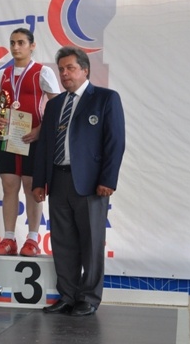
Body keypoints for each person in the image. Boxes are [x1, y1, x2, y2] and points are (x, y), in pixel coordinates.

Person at [32, 46, 125, 317]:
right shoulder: (54, 105)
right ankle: (68, 295)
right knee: (63, 242)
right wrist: (39, 181)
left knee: (91, 242)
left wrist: (108, 179)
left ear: (85, 70)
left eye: (70, 68)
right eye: (61, 69)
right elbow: (44, 145)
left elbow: (115, 142)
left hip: (91, 183)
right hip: (58, 180)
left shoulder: (105, 99)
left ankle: (89, 298)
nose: (65, 74)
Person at [0, 28, 59, 256]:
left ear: (32, 45)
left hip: (33, 137)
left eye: (21, 42)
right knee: (8, 186)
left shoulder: (43, 72)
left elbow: (56, 107)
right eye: (12, 43)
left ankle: (32, 239)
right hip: (9, 136)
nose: (16, 47)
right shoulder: (2, 74)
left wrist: (40, 130)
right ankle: (9, 238)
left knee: (32, 187)